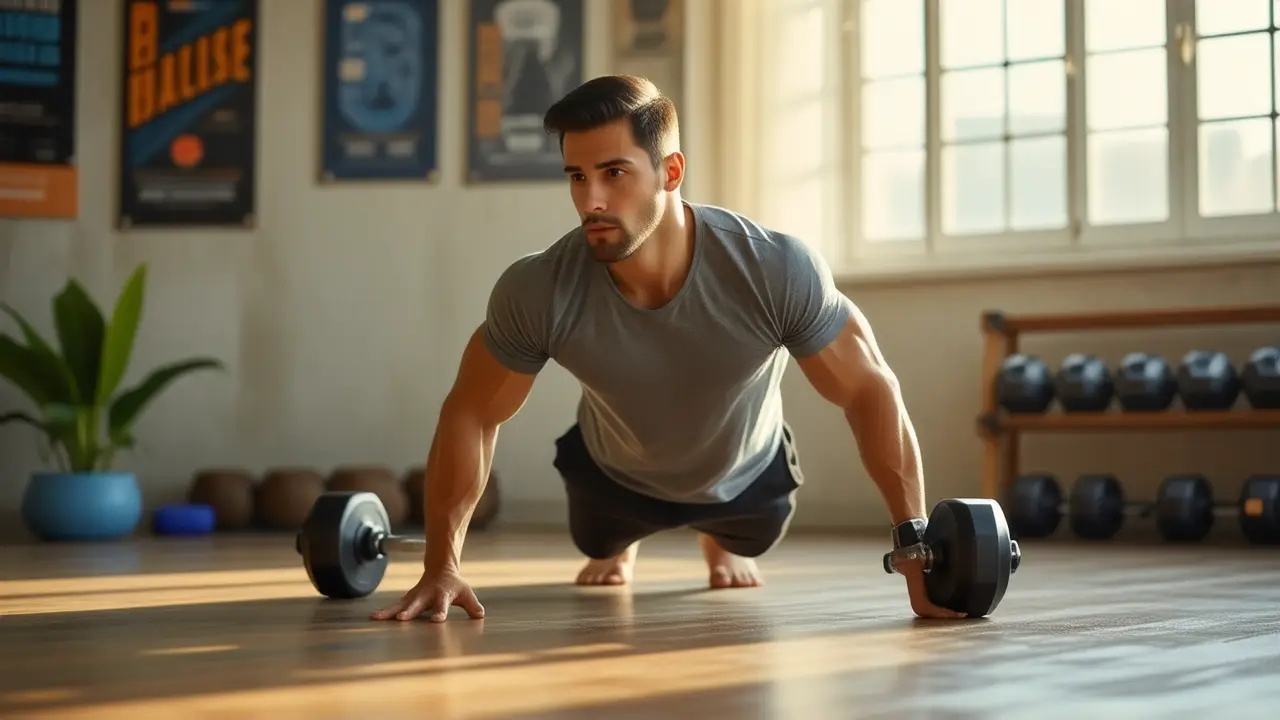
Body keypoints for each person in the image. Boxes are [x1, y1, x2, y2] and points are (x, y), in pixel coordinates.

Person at [372, 75, 965, 623]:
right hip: (612, 481)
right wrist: (440, 565)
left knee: (750, 542)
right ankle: (626, 542)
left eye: (614, 173)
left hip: (747, 480)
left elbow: (868, 388)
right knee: (597, 543)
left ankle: (715, 537)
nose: (591, 200)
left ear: (671, 171)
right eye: (577, 176)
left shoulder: (775, 268)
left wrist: (915, 544)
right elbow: (471, 412)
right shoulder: (539, 288)